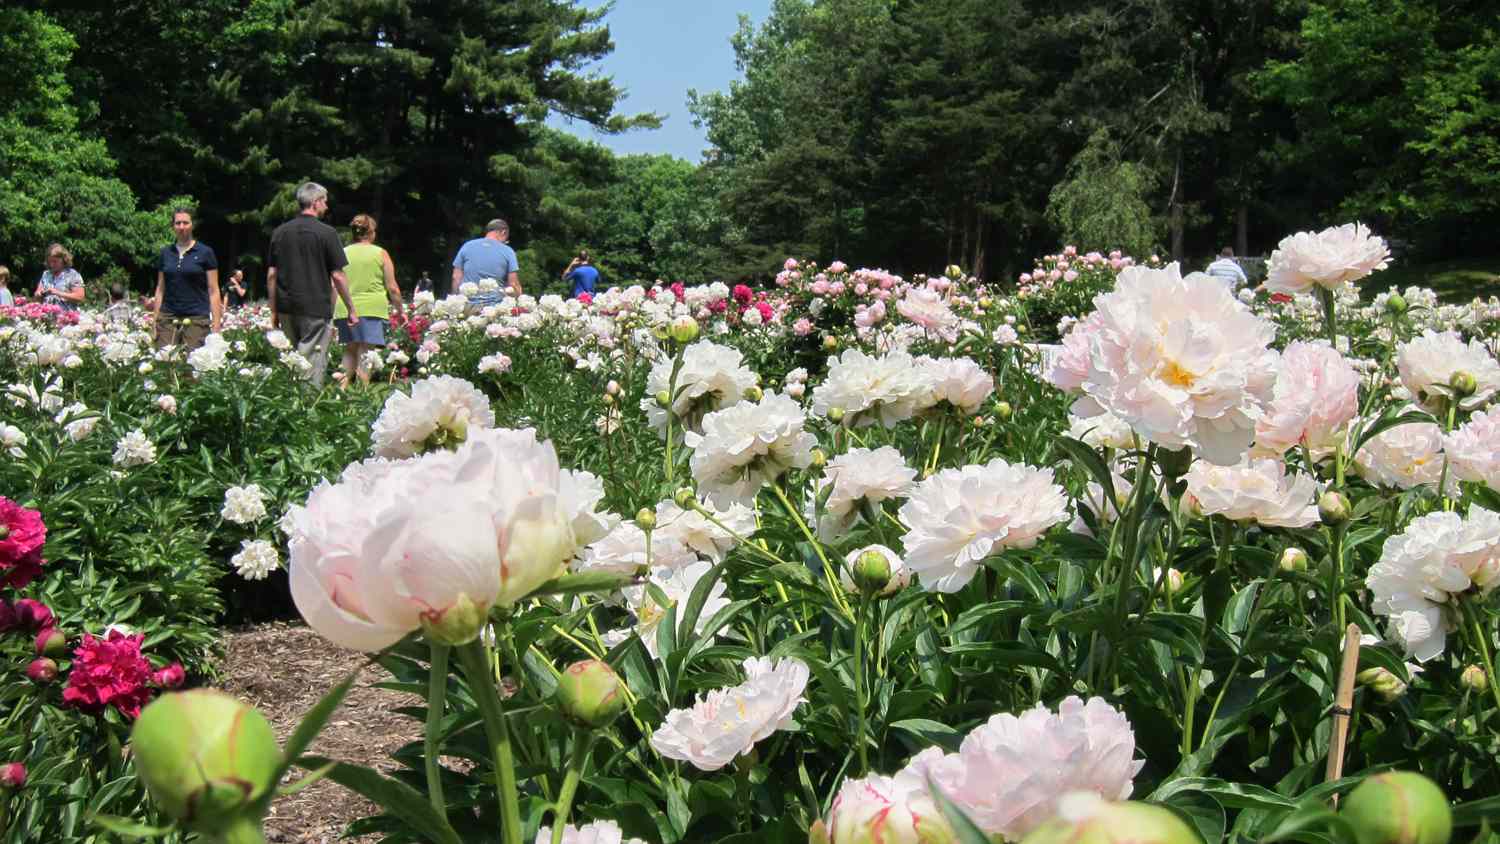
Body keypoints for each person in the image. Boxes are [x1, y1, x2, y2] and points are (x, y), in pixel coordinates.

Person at [266, 181, 358, 388]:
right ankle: (306, 411)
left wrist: (273, 309)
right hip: (315, 307)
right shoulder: (327, 233)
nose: (327, 206)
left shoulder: (280, 233)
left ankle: (287, 403)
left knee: (291, 360)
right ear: (316, 202)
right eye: (324, 201)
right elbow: (338, 275)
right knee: (311, 363)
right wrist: (351, 308)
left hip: (286, 307)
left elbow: (272, 275)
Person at [336, 214, 404, 386]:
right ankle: (362, 390)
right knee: (366, 350)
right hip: (371, 308)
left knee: (350, 349)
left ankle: (341, 390)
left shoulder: (342, 253)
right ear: (372, 232)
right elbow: (393, 287)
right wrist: (400, 310)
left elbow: (334, 282)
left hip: (344, 307)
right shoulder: (380, 253)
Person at [150, 207, 221, 350]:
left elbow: (213, 290)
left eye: (185, 223)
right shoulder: (165, 253)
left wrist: (217, 324)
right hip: (168, 318)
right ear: (173, 226)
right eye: (178, 223)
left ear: (192, 225)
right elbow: (160, 288)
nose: (181, 227)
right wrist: (155, 321)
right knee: (165, 363)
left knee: (193, 365)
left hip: (196, 318)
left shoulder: (205, 253)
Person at [451, 218, 521, 307]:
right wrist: (519, 297)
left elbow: (456, 277)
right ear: (503, 232)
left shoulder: (467, 246)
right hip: (494, 309)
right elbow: (513, 284)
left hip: (468, 306)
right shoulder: (508, 251)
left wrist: (455, 299)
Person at [33, 244, 85, 311]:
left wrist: (57, 293)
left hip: (67, 317)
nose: (52, 264)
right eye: (49, 261)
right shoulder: (46, 274)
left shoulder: (72, 275)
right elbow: (37, 296)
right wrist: (38, 294)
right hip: (47, 317)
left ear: (63, 260)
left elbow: (80, 297)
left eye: (55, 261)